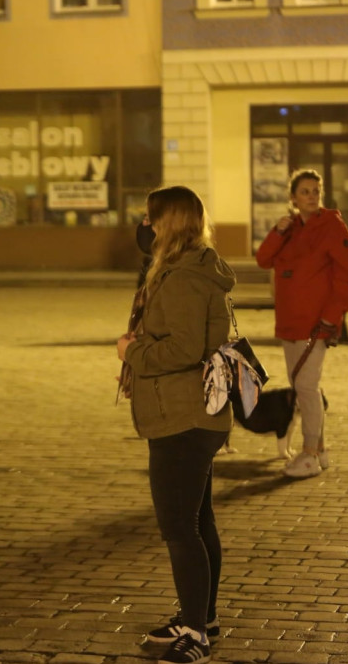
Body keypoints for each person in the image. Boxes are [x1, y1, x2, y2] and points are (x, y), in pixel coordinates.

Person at [117, 186, 234, 664]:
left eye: (150, 218)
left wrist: (132, 352)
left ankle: (196, 634)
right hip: (191, 413)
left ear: (168, 224)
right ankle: (199, 617)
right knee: (197, 521)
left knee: (179, 529)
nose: (143, 226)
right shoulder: (187, 268)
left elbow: (184, 349)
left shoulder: (185, 277)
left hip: (182, 416)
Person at [255, 169, 348, 477]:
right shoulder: (290, 228)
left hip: (316, 323)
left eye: (316, 190)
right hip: (289, 321)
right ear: (293, 197)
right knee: (300, 385)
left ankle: (309, 453)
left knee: (306, 387)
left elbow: (346, 275)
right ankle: (319, 449)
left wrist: (332, 315)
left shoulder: (332, 227)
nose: (312, 196)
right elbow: (263, 259)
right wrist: (277, 232)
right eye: (305, 191)